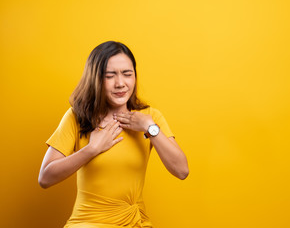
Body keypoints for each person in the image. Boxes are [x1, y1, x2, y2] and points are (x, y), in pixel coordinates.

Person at [38, 41, 189, 228]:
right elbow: (45, 178)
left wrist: (150, 127)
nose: (120, 83)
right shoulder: (77, 117)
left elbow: (182, 171)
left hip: (135, 222)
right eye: (110, 76)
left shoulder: (150, 117)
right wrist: (92, 149)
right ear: (96, 79)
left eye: (127, 74)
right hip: (89, 223)